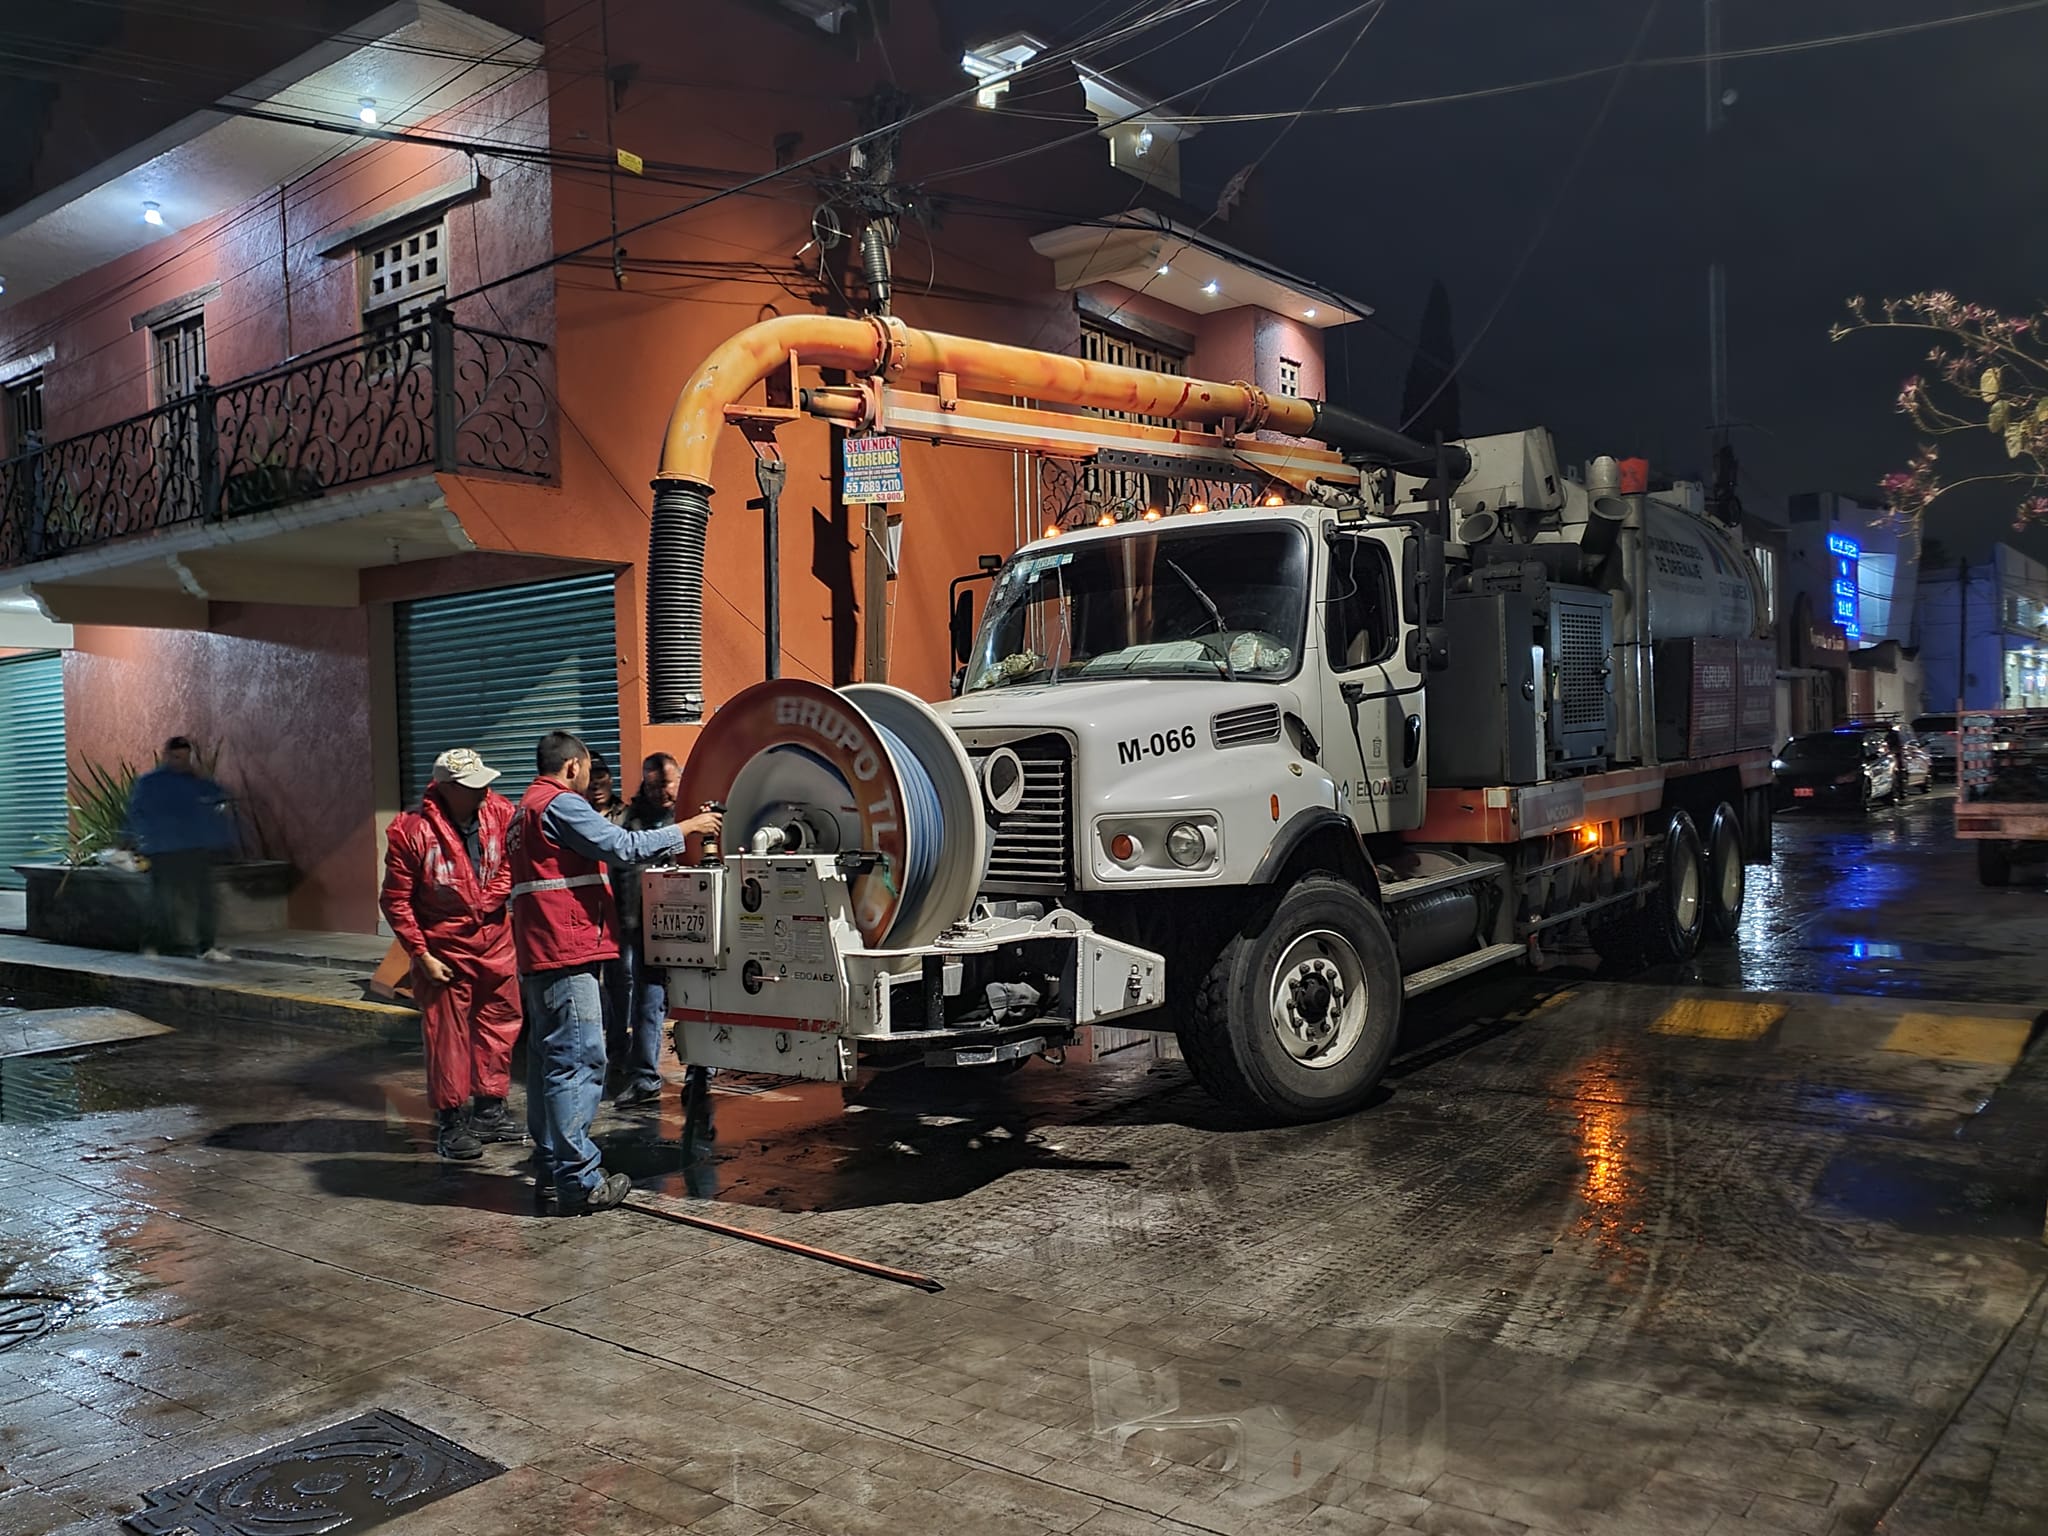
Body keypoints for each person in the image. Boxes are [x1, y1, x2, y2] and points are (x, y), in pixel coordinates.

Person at [508, 731, 720, 1216]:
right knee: (578, 1062)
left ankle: (551, 1165)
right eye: (586, 769)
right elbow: (622, 846)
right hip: (566, 953)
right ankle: (579, 1179)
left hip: (542, 955)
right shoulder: (559, 805)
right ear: (571, 768)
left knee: (547, 1064)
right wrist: (688, 826)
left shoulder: (523, 811)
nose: (590, 779)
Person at [378, 748, 524, 1162]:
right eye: (471, 786)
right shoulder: (410, 831)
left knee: (499, 1022)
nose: (483, 792)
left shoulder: (498, 811)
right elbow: (396, 901)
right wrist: (421, 955)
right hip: (443, 949)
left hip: (495, 940)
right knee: (448, 1037)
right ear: (445, 789)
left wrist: (488, 899)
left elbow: (511, 864)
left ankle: (490, 1110)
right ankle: (451, 1120)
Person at [609, 752, 691, 1111]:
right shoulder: (632, 821)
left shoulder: (694, 811)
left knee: (695, 1004)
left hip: (692, 928)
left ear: (680, 778)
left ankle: (700, 1077)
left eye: (667, 783)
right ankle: (644, 1079)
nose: (662, 792)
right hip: (647, 928)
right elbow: (622, 874)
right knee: (647, 1004)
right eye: (654, 785)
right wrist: (626, 924)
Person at [125, 736, 236, 962]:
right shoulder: (152, 783)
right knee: (163, 900)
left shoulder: (196, 782)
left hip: (191, 849)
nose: (181, 762)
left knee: (203, 900)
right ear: (167, 756)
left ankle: (204, 947)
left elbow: (217, 803)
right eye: (177, 757)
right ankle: (155, 944)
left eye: (185, 757)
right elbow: (137, 814)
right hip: (164, 850)